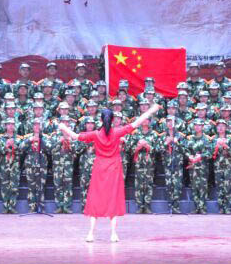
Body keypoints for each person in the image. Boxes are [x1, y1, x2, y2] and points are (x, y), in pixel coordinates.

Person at [56, 101, 161, 243]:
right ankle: (113, 234)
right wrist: (151, 110)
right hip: (114, 168)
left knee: (95, 198)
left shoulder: (95, 134)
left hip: (99, 168)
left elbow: (75, 136)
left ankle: (90, 234)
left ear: (100, 120)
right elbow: (136, 123)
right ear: (112, 120)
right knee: (113, 198)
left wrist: (63, 127)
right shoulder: (117, 132)